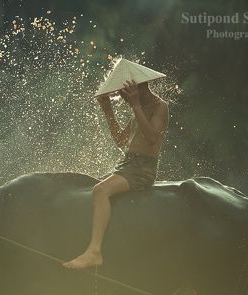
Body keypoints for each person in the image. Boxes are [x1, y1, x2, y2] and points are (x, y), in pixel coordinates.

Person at [63, 78, 169, 270]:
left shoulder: (159, 106)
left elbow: (152, 137)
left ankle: (94, 251)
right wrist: (108, 110)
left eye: (125, 93)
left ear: (139, 88)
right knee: (91, 189)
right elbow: (121, 141)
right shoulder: (139, 108)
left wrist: (136, 105)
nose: (123, 98)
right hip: (127, 165)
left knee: (100, 190)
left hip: (141, 170)